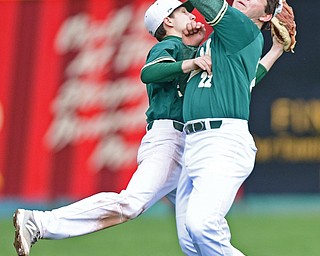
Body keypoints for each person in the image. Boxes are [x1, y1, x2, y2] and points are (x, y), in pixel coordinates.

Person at [12, 1, 210, 256]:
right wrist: (190, 61)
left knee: (197, 236)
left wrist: (191, 50)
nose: (189, 15)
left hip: (185, 143)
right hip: (169, 140)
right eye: (182, 11)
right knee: (132, 203)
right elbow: (149, 72)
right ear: (168, 21)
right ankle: (39, 222)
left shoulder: (181, 48)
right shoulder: (166, 46)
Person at [174, 0, 285, 255]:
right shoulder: (224, 39)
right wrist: (276, 51)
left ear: (266, 17)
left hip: (222, 142)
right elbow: (249, 81)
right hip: (194, 142)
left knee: (202, 225)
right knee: (190, 242)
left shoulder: (242, 28)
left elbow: (207, 4)